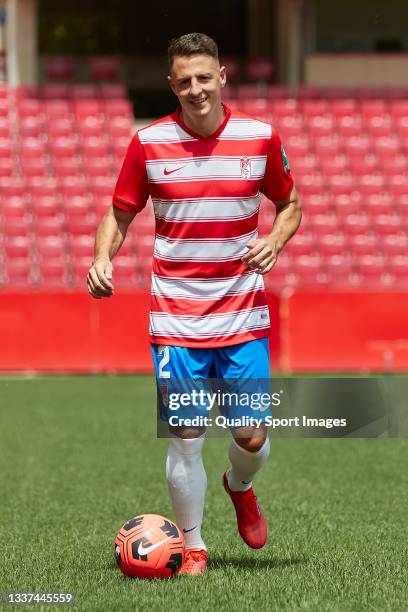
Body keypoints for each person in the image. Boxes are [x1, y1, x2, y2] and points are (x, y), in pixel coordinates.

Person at [87, 32, 302, 576]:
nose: (195, 89)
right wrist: (102, 257)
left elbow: (290, 204)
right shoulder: (148, 142)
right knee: (186, 435)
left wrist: (274, 241)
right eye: (184, 80)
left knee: (251, 436)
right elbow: (119, 213)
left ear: (222, 76)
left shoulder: (259, 137)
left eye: (204, 77)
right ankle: (193, 545)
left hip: (243, 316)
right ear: (171, 84)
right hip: (175, 318)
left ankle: (241, 485)